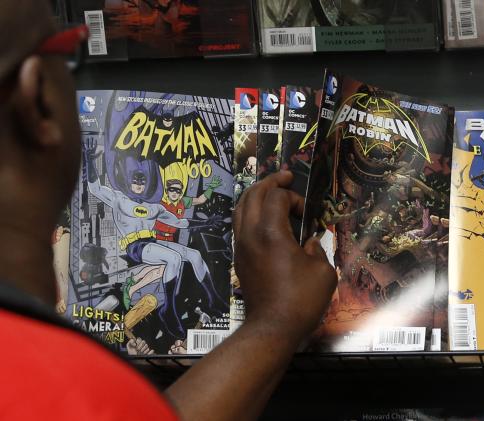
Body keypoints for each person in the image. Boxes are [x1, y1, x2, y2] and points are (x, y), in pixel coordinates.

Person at [0, 2, 337, 420]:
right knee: (180, 258)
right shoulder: (78, 392)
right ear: (38, 100)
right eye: (66, 50)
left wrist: (273, 320)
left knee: (185, 257)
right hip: (140, 252)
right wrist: (276, 320)